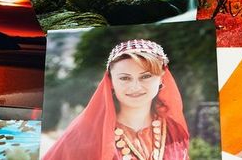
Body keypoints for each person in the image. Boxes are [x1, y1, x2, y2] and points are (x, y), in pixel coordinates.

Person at [44, 39, 190, 160]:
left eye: (146, 76)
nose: (135, 87)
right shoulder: (84, 135)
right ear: (111, 81)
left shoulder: (173, 130)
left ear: (161, 77)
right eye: (125, 78)